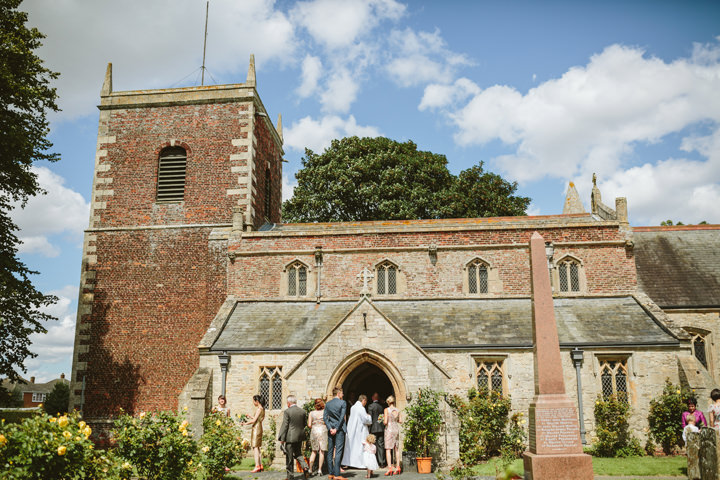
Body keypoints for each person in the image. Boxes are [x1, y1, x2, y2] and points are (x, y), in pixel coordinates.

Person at [278, 394, 309, 480]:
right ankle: (305, 467)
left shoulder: (287, 412)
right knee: (298, 453)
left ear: (288, 403)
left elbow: (285, 425)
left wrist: (282, 438)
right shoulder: (302, 411)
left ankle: (290, 476)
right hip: (300, 436)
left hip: (290, 437)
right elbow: (304, 424)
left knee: (289, 457)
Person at [342, 394, 372, 468]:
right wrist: (369, 416)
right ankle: (360, 463)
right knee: (360, 447)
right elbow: (365, 419)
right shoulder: (361, 408)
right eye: (366, 401)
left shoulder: (353, 407)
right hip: (360, 431)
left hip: (352, 429)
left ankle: (352, 463)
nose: (365, 403)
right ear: (363, 400)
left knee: (353, 447)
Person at [324, 387, 347, 480]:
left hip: (330, 430)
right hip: (339, 430)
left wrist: (330, 428)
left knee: (330, 451)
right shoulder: (342, 403)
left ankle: (331, 473)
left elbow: (325, 417)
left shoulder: (328, 404)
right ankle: (337, 474)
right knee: (338, 451)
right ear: (338, 393)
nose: (343, 395)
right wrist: (336, 428)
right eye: (342, 393)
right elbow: (342, 417)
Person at [242, 394, 266, 473]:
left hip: (256, 428)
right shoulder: (262, 409)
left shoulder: (259, 409)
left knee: (255, 447)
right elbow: (258, 419)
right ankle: (260, 465)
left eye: (253, 401)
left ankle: (257, 465)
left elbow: (254, 421)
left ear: (257, 401)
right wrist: (250, 416)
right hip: (259, 427)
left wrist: (245, 423)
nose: (253, 402)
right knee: (258, 447)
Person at [308, 398, 328, 475]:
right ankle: (320, 470)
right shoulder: (325, 412)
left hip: (314, 431)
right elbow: (327, 422)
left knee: (314, 451)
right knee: (321, 451)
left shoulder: (311, 413)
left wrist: (315, 424)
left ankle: (310, 469)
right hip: (323, 430)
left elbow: (309, 425)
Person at [383, 395, 401, 476]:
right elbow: (400, 421)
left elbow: (385, 422)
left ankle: (390, 468)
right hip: (396, 429)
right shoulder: (398, 410)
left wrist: (383, 419)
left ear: (388, 402)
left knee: (388, 449)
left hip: (389, 429)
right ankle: (398, 467)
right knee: (396, 448)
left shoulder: (387, 410)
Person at [367, 392, 386, 468]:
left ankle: (374, 463)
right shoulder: (381, 407)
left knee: (373, 446)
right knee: (381, 445)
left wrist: (369, 429)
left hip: (373, 429)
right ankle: (382, 463)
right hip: (381, 428)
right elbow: (381, 417)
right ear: (378, 398)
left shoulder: (370, 406)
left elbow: (370, 419)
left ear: (372, 398)